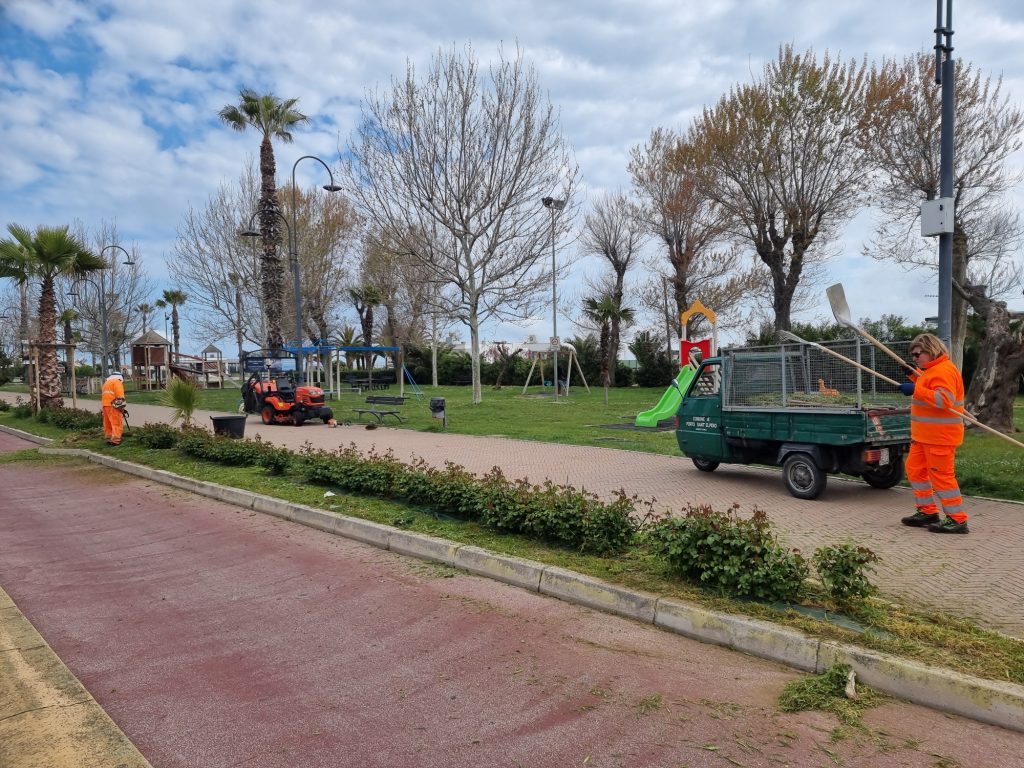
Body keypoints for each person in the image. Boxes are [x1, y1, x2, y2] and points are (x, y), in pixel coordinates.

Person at [898, 333, 969, 534]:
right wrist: (912, 375)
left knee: (942, 478)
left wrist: (915, 389)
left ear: (931, 350)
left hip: (940, 437)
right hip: (923, 437)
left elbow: (943, 400)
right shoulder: (930, 370)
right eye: (912, 355)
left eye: (917, 354)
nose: (914, 358)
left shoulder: (944, 370)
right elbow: (926, 383)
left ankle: (957, 520)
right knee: (915, 470)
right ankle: (927, 511)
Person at [101, 370, 127, 446]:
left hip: (105, 404)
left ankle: (109, 436)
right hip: (114, 405)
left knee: (108, 422)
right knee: (116, 422)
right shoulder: (117, 382)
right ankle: (116, 439)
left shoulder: (106, 383)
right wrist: (121, 408)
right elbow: (120, 396)